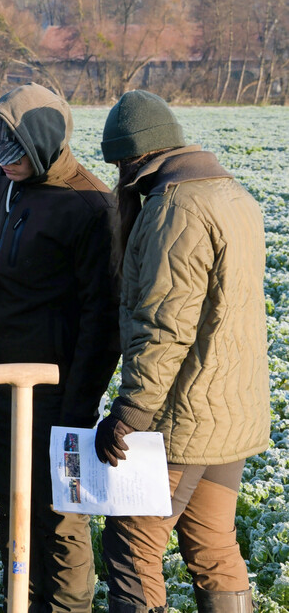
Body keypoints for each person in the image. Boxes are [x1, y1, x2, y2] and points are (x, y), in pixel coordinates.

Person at [95, 91, 269, 613]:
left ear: (132, 158)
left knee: (131, 544)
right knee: (212, 545)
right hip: (230, 410)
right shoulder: (231, 194)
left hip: (184, 416)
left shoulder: (175, 209)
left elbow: (164, 328)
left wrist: (129, 413)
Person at [0, 83, 119, 613]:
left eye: (15, 155)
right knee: (10, 498)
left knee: (59, 515)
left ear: (44, 144)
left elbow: (102, 320)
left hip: (52, 391)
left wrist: (77, 407)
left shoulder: (88, 206)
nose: (3, 164)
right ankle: (19, 599)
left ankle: (66, 608)